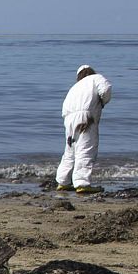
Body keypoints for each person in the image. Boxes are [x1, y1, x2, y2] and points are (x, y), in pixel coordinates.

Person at [56, 65, 113, 194]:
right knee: (86, 148)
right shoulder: (96, 78)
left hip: (69, 119)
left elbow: (64, 107)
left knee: (70, 151)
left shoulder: (74, 87)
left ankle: (63, 181)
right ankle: (82, 183)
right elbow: (106, 89)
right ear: (91, 72)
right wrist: (103, 102)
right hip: (86, 117)